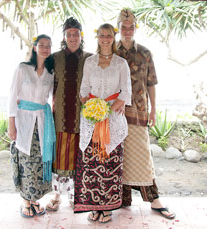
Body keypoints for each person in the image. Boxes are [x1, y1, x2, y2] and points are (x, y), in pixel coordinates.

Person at [116, 8, 176, 219]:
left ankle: (154, 199)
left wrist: (154, 110)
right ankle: (120, 198)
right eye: (124, 26)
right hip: (115, 114)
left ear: (135, 28)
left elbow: (151, 83)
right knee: (117, 157)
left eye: (131, 27)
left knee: (142, 156)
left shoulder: (145, 53)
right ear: (118, 28)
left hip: (140, 112)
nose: (127, 30)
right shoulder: (110, 52)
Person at [74, 23, 131, 223]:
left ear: (113, 38)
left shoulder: (121, 63)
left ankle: (107, 208)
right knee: (92, 162)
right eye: (102, 35)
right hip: (91, 117)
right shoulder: (89, 62)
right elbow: (83, 89)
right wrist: (92, 109)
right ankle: (94, 206)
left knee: (109, 162)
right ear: (97, 37)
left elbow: (126, 91)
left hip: (113, 117)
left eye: (109, 35)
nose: (105, 38)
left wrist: (109, 110)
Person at [46, 17, 92, 211]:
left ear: (81, 36)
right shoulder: (55, 58)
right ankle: (57, 195)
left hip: (83, 117)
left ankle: (75, 194)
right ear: (64, 37)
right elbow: (42, 82)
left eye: (76, 34)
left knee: (77, 157)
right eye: (69, 34)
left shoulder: (90, 58)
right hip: (60, 116)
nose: (73, 38)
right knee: (60, 156)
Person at [8, 34, 55, 218]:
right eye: (41, 45)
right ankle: (25, 201)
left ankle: (35, 199)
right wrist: (12, 124)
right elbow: (12, 97)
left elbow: (53, 96)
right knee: (25, 160)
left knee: (38, 161)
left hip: (42, 121)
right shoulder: (23, 68)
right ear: (35, 47)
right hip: (24, 120)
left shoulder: (50, 73)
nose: (45, 48)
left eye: (48, 46)